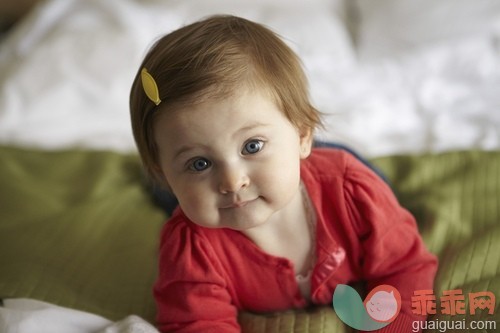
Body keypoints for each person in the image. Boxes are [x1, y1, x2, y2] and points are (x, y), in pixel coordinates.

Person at [129, 15, 438, 333]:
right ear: (165, 173)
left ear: (304, 136)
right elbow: (197, 323)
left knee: (371, 178)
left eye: (251, 146)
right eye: (199, 163)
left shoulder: (353, 193)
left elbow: (406, 269)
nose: (233, 182)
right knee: (171, 201)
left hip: (328, 169)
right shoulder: (191, 249)